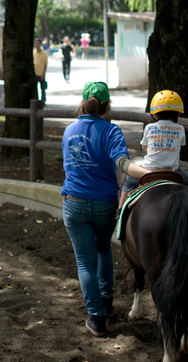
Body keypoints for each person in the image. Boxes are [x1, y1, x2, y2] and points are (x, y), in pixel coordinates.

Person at [61, 82, 150, 337]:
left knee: (85, 263)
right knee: (103, 251)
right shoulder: (111, 131)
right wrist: (147, 173)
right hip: (104, 204)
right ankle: (107, 301)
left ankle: (97, 318)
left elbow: (69, 167)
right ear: (107, 105)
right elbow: (123, 164)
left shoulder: (69, 130)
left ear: (83, 102)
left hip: (74, 202)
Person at [117, 90, 188, 212]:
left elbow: (145, 148)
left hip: (149, 170)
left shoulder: (149, 127)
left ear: (155, 115)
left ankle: (120, 210)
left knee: (129, 182)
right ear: (177, 114)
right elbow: (181, 144)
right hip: (172, 170)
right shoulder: (180, 129)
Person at [33, 38, 48, 102]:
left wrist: (44, 74)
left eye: (38, 43)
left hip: (41, 73)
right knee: (34, 89)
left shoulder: (44, 54)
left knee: (42, 89)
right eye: (36, 43)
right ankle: (36, 101)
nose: (37, 45)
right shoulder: (33, 53)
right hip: (34, 73)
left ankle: (43, 101)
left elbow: (45, 64)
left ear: (41, 44)